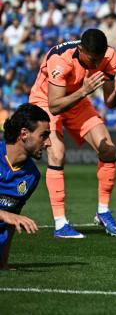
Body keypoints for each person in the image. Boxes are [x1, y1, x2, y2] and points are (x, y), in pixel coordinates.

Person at [28, 29, 116, 238]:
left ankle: (103, 212)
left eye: (100, 59)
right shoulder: (59, 60)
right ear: (81, 50)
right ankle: (61, 224)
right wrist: (84, 91)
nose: (96, 63)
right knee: (57, 154)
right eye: (93, 59)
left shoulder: (108, 56)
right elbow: (54, 106)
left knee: (108, 149)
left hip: (77, 99)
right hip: (46, 100)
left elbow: (110, 103)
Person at [0, 104, 52, 270]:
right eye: (43, 136)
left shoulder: (32, 176)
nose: (48, 143)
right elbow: (9, 217)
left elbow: (12, 222)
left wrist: (3, 263)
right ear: (24, 134)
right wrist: (4, 214)